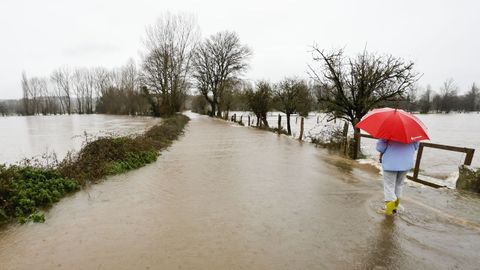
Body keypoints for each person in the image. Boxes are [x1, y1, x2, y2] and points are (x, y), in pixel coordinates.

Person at [376, 139, 420, 215]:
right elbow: (416, 147)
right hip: (406, 163)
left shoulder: (388, 133)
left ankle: (389, 210)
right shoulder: (412, 135)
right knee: (399, 185)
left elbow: (380, 148)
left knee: (389, 186)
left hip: (390, 164)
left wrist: (382, 140)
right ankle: (395, 207)